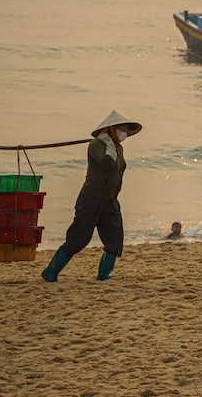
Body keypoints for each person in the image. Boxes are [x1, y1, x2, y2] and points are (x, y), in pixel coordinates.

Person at [42, 110, 142, 282]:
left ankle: (104, 275)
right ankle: (50, 272)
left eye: (127, 129)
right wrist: (108, 143)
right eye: (122, 128)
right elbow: (107, 164)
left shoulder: (118, 147)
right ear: (111, 129)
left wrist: (112, 145)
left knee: (115, 239)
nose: (125, 132)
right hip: (91, 198)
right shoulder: (96, 145)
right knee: (78, 238)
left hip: (110, 199)